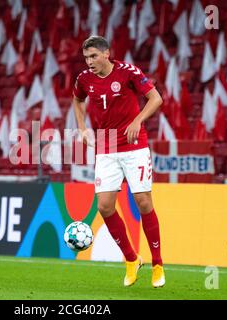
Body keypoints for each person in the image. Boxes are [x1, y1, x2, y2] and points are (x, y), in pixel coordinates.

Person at [72, 36, 165, 288]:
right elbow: (78, 100)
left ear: (106, 54)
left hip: (134, 145)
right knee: (104, 206)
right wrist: (82, 128)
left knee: (143, 202)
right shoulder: (84, 79)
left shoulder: (127, 72)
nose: (89, 62)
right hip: (107, 145)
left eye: (93, 56)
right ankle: (131, 260)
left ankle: (157, 264)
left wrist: (138, 120)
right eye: (86, 58)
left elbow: (156, 98)